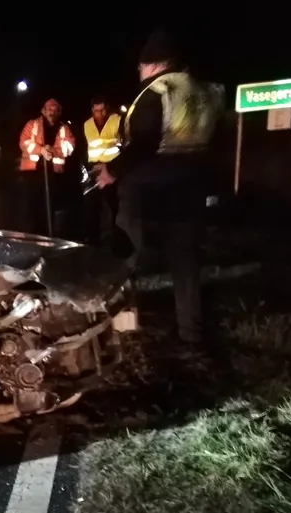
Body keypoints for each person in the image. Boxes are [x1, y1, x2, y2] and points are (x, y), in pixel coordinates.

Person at [94, 29, 224, 344]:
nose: (140, 73)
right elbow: (218, 142)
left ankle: (124, 328)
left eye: (141, 67)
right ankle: (191, 334)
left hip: (147, 190)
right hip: (190, 189)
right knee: (186, 264)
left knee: (126, 256)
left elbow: (143, 144)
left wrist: (111, 171)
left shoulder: (158, 91)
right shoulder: (206, 92)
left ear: (152, 65)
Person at [17, 98, 76, 236]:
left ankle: (49, 237)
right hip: (32, 174)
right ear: (43, 111)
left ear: (59, 112)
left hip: (54, 174)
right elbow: (24, 142)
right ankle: (34, 236)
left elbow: (69, 146)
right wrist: (41, 150)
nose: (52, 112)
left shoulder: (64, 129)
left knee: (51, 208)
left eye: (55, 110)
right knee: (33, 208)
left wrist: (54, 151)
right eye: (49, 109)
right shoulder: (32, 125)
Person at [82, 96, 122, 246]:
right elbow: (85, 147)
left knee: (115, 206)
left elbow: (123, 143)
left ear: (107, 108)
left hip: (111, 170)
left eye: (103, 110)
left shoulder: (116, 120)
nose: (100, 113)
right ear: (92, 110)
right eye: (96, 110)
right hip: (94, 170)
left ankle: (117, 240)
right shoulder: (87, 124)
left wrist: (114, 168)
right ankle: (93, 241)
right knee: (92, 207)